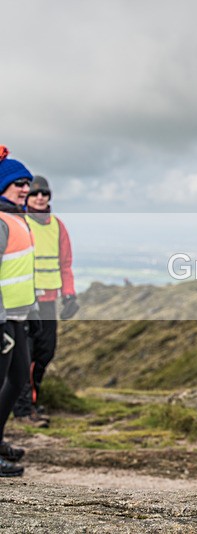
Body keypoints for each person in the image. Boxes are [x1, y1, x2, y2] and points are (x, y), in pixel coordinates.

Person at [12, 175, 78, 427]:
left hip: (49, 302)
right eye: (35, 193)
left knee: (45, 353)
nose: (40, 197)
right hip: (26, 301)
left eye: (45, 193)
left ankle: (31, 400)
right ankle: (22, 410)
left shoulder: (58, 226)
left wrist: (69, 295)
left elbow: (65, 264)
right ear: (27, 197)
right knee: (24, 355)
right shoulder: (19, 223)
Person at [0, 147, 38, 477]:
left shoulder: (17, 218)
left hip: (18, 316)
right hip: (3, 319)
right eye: (18, 183)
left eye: (27, 182)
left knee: (17, 380)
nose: (25, 188)